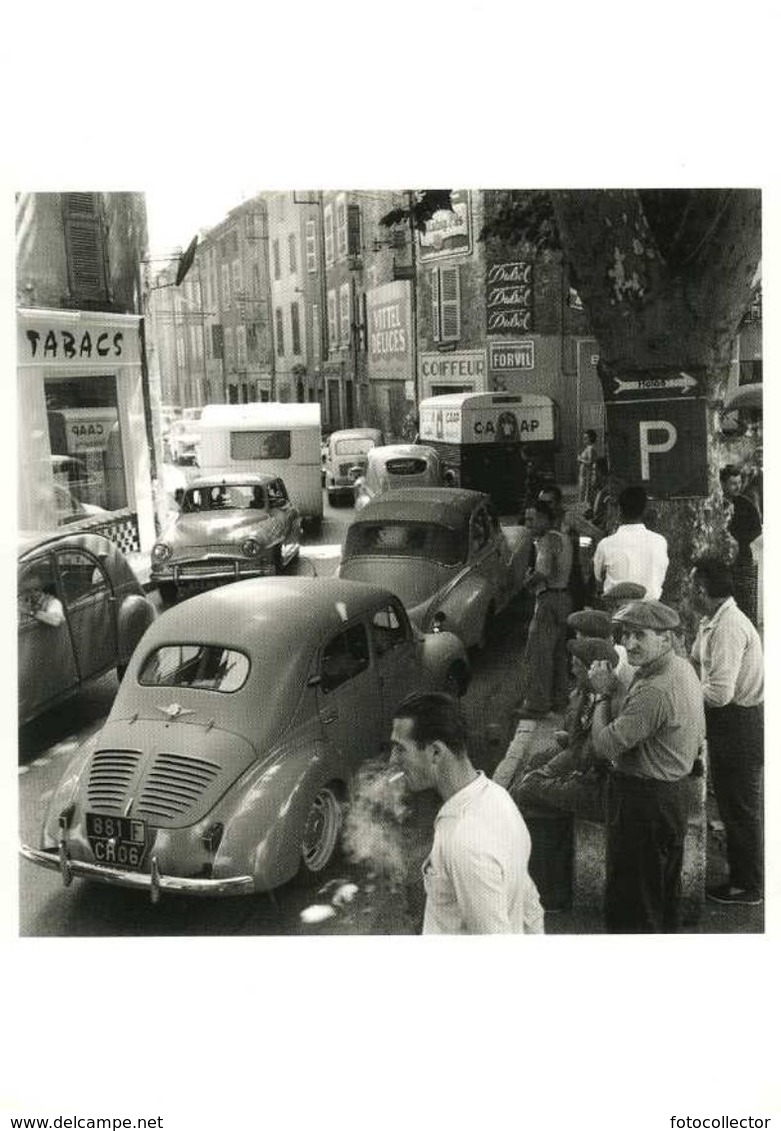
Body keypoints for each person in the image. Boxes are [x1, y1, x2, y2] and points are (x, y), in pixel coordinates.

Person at [587, 600, 705, 933]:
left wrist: (600, 696)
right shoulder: (679, 668)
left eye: (640, 635)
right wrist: (616, 691)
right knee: (661, 898)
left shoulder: (656, 688)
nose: (630, 643)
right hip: (669, 799)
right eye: (626, 634)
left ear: (666, 639)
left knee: (631, 909)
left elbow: (605, 745)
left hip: (642, 805)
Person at [389, 691, 544, 934]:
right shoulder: (498, 797)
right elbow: (531, 907)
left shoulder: (463, 842)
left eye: (400, 749)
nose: (392, 761)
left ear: (436, 752)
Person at [690, 555, 764, 905]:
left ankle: (747, 885)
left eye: (692, 585)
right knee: (732, 801)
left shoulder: (729, 627)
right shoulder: (712, 620)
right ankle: (742, 874)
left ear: (702, 590)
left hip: (737, 722)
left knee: (739, 805)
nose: (690, 592)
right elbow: (694, 660)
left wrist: (683, 697)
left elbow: (719, 693)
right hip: (728, 722)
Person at [517, 499, 573, 718]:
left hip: (548, 599)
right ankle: (560, 701)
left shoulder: (546, 540)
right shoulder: (564, 538)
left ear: (544, 518)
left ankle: (536, 705)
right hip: (564, 597)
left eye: (532, 519)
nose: (528, 524)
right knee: (559, 654)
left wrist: (527, 582)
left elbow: (544, 571)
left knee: (538, 655)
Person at [592, 484, 668, 600]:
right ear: (645, 511)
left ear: (619, 510)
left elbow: (598, 577)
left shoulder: (605, 544)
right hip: (651, 611)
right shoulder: (660, 542)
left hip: (619, 612)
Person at [719, 464, 762, 624]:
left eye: (739, 482)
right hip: (721, 561)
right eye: (733, 483)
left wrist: (739, 541)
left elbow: (756, 530)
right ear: (722, 484)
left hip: (742, 559)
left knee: (743, 602)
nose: (737, 487)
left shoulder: (746, 504)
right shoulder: (715, 504)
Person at [577, 429, 598, 505]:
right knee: (582, 491)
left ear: (591, 438)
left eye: (586, 438)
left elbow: (590, 462)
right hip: (583, 474)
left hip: (587, 475)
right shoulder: (587, 448)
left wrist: (580, 460)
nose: (584, 440)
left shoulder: (590, 449)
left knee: (586, 492)